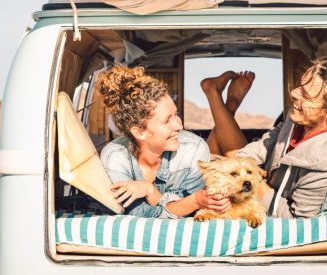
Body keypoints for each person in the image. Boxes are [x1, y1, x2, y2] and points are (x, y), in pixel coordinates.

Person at [201, 56, 327, 218]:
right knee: (222, 163)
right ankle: (223, 100)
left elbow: (293, 220)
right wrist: (245, 162)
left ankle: (219, 97)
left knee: (217, 162)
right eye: (300, 86)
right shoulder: (301, 116)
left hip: (266, 207)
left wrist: (254, 180)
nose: (294, 93)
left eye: (306, 95)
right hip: (266, 178)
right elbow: (272, 138)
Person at [98, 65, 230, 218]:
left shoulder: (194, 150)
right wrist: (193, 201)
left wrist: (150, 190)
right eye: (167, 120)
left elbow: (192, 215)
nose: (179, 125)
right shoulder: (115, 157)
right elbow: (135, 215)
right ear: (139, 132)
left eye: (176, 114)